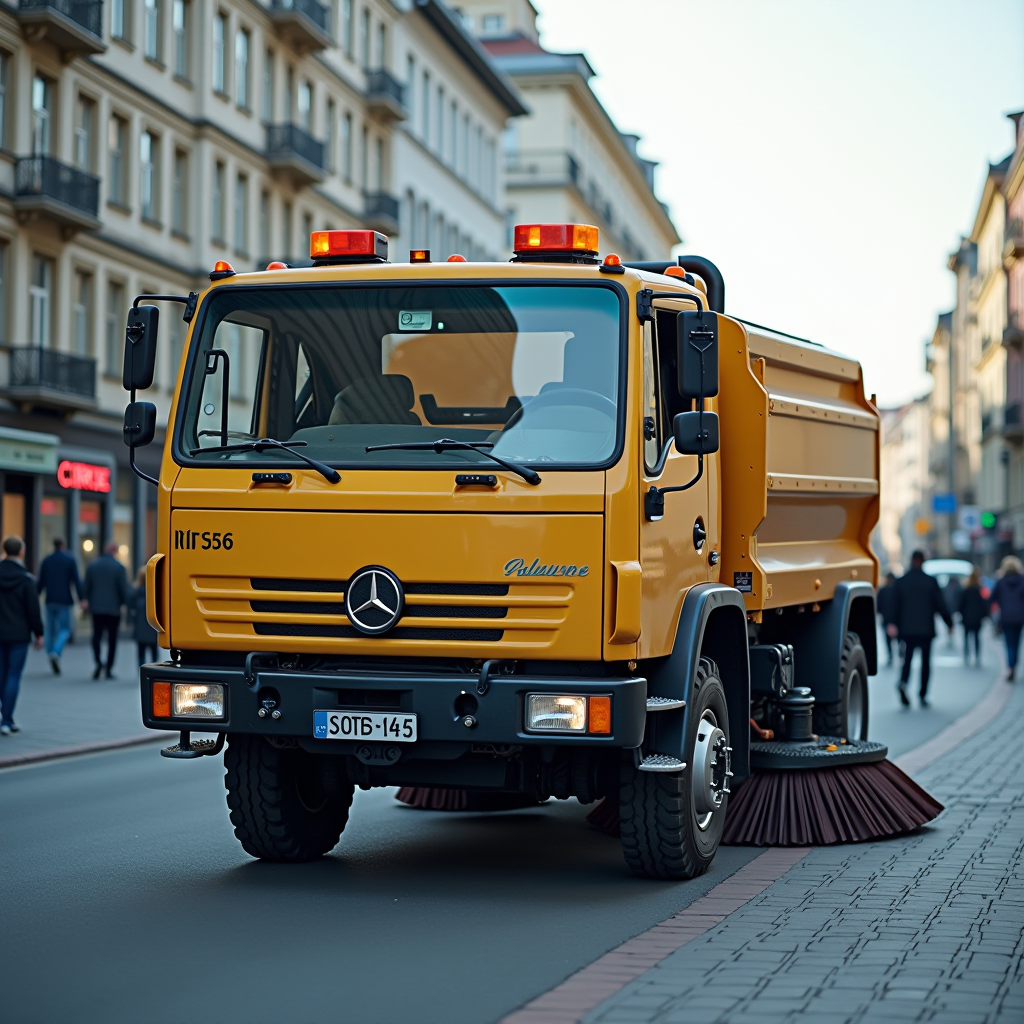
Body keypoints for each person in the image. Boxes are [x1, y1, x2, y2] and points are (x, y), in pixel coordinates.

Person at [889, 550, 952, 708]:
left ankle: (903, 682)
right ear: (923, 561)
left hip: (907, 629)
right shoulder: (930, 581)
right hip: (925, 629)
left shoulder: (901, 581)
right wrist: (949, 623)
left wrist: (892, 623)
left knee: (907, 660)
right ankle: (923, 694)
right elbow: (941, 604)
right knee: (925, 662)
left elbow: (894, 605)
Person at [0, 536, 45, 735]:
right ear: (21, 552)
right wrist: (39, 633)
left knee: (2, 674)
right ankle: (7, 720)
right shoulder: (26, 580)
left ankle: (5, 717)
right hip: (18, 634)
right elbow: (33, 610)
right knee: (13, 674)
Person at [82, 541, 129, 680]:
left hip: (96, 607)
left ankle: (98, 662)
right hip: (113, 609)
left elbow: (86, 585)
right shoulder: (119, 568)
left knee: (96, 636)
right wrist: (124, 604)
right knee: (112, 639)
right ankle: (108, 668)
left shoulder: (93, 565)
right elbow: (123, 589)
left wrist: (85, 599)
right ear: (115, 551)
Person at [36, 537, 81, 675]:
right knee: (65, 629)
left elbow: (41, 581)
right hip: (65, 600)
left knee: (49, 629)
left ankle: (51, 653)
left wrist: (35, 595)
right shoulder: (69, 559)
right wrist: (82, 598)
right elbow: (76, 580)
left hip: (50, 600)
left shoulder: (47, 560)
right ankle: (56, 651)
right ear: (63, 545)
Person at [990, 555, 1024, 681]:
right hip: (1020, 617)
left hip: (1006, 617)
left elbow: (991, 598)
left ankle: (1010, 667)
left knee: (1009, 643)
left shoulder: (1001, 581)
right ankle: (1014, 666)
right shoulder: (1022, 580)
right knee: (1017, 643)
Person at [958, 567, 989, 668]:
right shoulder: (979, 590)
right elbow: (984, 605)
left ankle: (967, 655)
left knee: (967, 637)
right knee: (976, 637)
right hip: (977, 618)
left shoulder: (966, 590)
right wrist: (984, 615)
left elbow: (961, 604)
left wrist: (961, 614)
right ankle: (976, 656)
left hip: (967, 617)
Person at [130, 566, 158, 666]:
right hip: (153, 627)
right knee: (154, 651)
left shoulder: (135, 592)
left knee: (141, 652)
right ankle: (155, 670)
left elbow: (132, 609)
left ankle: (141, 670)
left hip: (140, 627)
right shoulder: (157, 592)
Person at [876, 570, 899, 666]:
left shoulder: (883, 590)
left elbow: (878, 605)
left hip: (886, 618)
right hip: (897, 618)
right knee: (899, 637)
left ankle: (891, 656)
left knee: (887, 639)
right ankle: (899, 652)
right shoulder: (897, 589)